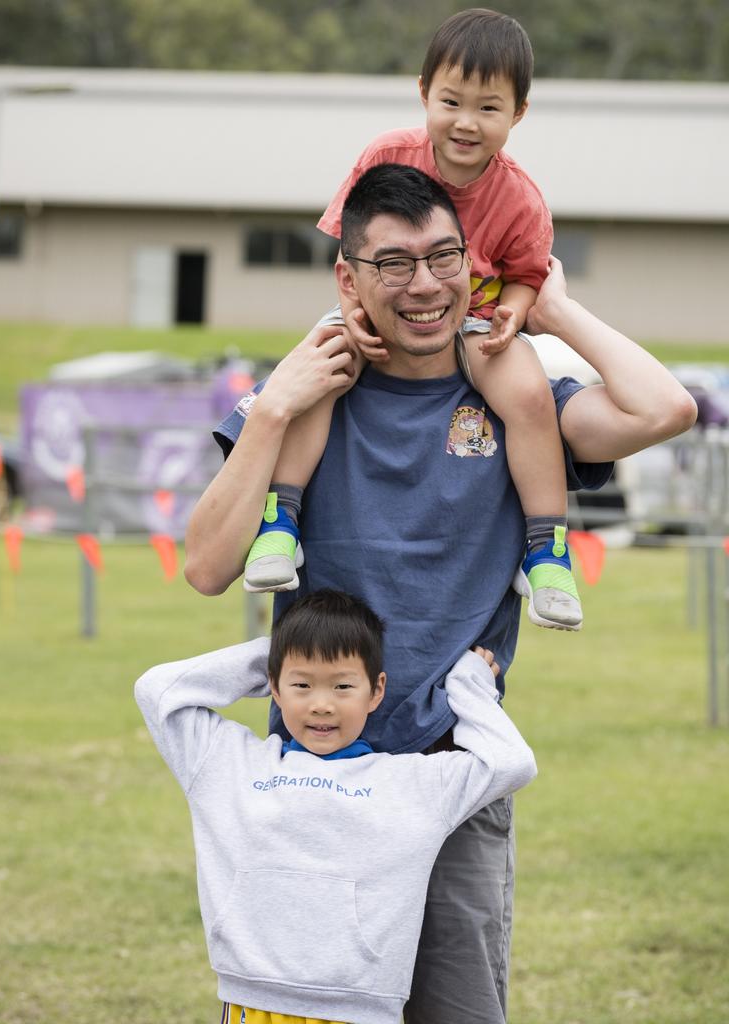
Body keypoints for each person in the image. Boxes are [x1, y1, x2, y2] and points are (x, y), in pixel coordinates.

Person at [184, 163, 696, 1023]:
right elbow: (206, 566)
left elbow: (666, 409)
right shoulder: (308, 399)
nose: (424, 285)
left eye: (443, 256)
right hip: (315, 782)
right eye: (393, 262)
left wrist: (553, 303)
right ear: (347, 277)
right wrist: (273, 409)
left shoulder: (514, 391)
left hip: (452, 784)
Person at [243, 9, 577, 631]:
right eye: (451, 101)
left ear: (519, 113)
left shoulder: (521, 198)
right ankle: (279, 520)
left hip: (472, 321)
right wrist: (352, 313)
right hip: (378, 308)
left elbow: (530, 272)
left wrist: (514, 313)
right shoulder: (388, 154)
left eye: (489, 108)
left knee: (530, 395)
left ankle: (546, 548)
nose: (466, 123)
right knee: (325, 369)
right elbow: (348, 247)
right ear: (424, 92)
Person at [135, 589, 537, 1024]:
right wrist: (279, 654)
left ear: (376, 690)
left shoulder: (413, 784)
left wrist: (468, 684)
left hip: (363, 1006)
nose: (322, 704)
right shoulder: (229, 764)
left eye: (343, 685)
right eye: (302, 685)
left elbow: (511, 763)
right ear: (274, 687)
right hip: (255, 998)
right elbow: (157, 691)